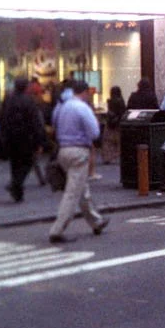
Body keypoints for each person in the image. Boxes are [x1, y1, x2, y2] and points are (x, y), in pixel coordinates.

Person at [46, 80, 108, 242]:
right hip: (79, 152)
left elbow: (54, 123)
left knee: (81, 188)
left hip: (63, 151)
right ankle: (57, 229)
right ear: (85, 92)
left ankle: (96, 221)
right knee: (73, 192)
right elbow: (94, 132)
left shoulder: (62, 106)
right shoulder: (82, 108)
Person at [0, 79, 48, 203]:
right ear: (26, 87)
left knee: (14, 163)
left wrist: (2, 134)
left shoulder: (8, 100)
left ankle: (17, 192)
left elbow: (2, 117)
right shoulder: (29, 101)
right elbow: (35, 122)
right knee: (27, 162)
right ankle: (16, 184)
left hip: (10, 136)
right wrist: (40, 140)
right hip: (26, 137)